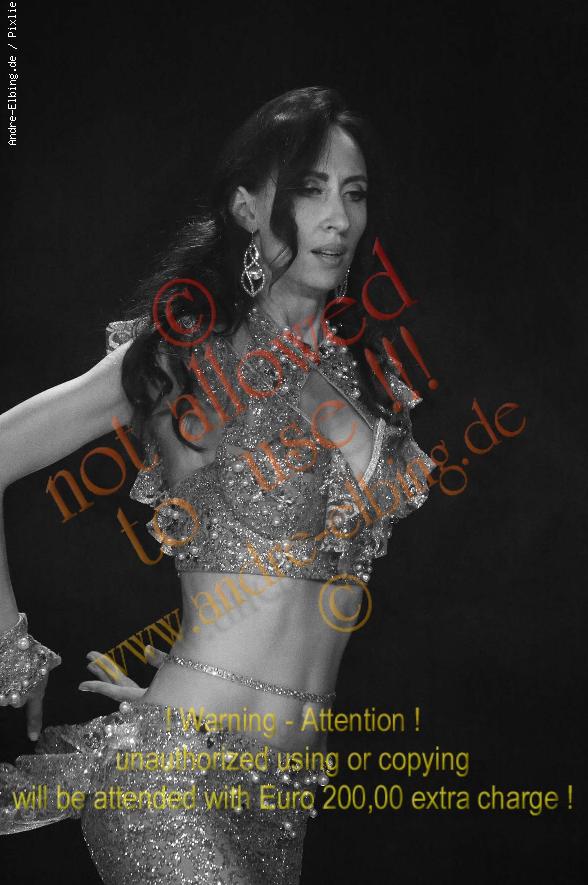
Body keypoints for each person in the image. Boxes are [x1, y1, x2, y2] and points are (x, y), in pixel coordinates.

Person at [0, 86, 433, 884]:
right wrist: (10, 650)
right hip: (170, 786)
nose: (338, 218)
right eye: (310, 189)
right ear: (245, 207)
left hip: (280, 807)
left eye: (354, 192)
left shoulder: (366, 378)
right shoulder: (183, 354)